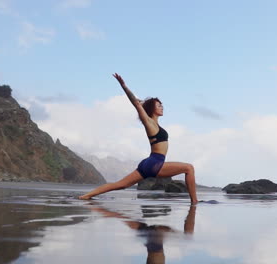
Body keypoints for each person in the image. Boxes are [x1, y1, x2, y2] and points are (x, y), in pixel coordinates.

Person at [79, 73, 198, 204]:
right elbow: (136, 103)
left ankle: (87, 196)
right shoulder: (149, 122)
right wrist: (124, 86)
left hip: (149, 163)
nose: (162, 107)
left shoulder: (155, 123)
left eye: (161, 105)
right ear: (152, 109)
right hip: (155, 163)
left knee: (121, 185)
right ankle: (194, 202)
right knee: (189, 168)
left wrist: (145, 103)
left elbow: (140, 102)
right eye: (159, 105)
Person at [91, 204, 196, 264]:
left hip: (153, 242)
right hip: (151, 241)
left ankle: (93, 206)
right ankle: (93, 207)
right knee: (119, 216)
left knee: (187, 236)